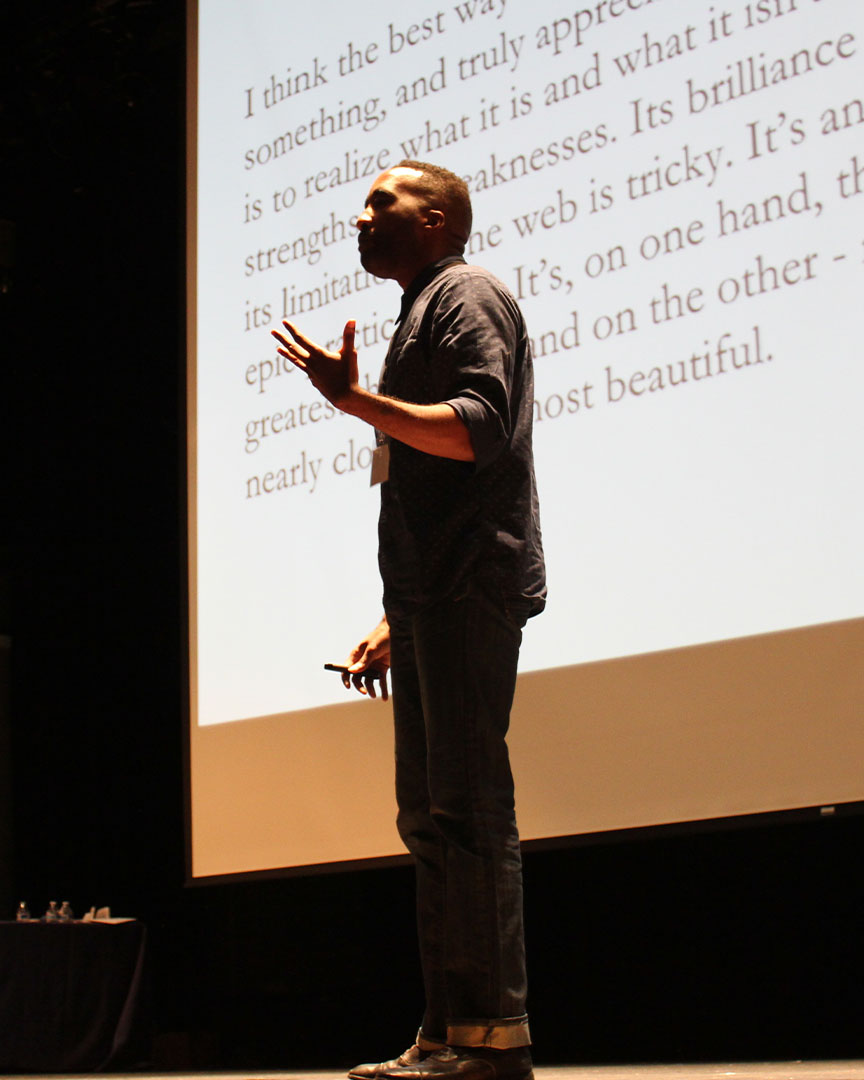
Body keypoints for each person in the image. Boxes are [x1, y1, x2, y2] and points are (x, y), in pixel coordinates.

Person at [271, 160, 545, 1080]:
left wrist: (353, 401)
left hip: (471, 585)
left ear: (435, 220)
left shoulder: (466, 294)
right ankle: (446, 1033)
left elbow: (476, 428)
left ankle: (492, 1040)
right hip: (432, 594)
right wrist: (397, 611)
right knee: (431, 819)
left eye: (381, 202)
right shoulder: (418, 308)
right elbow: (428, 472)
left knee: (468, 813)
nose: (360, 217)